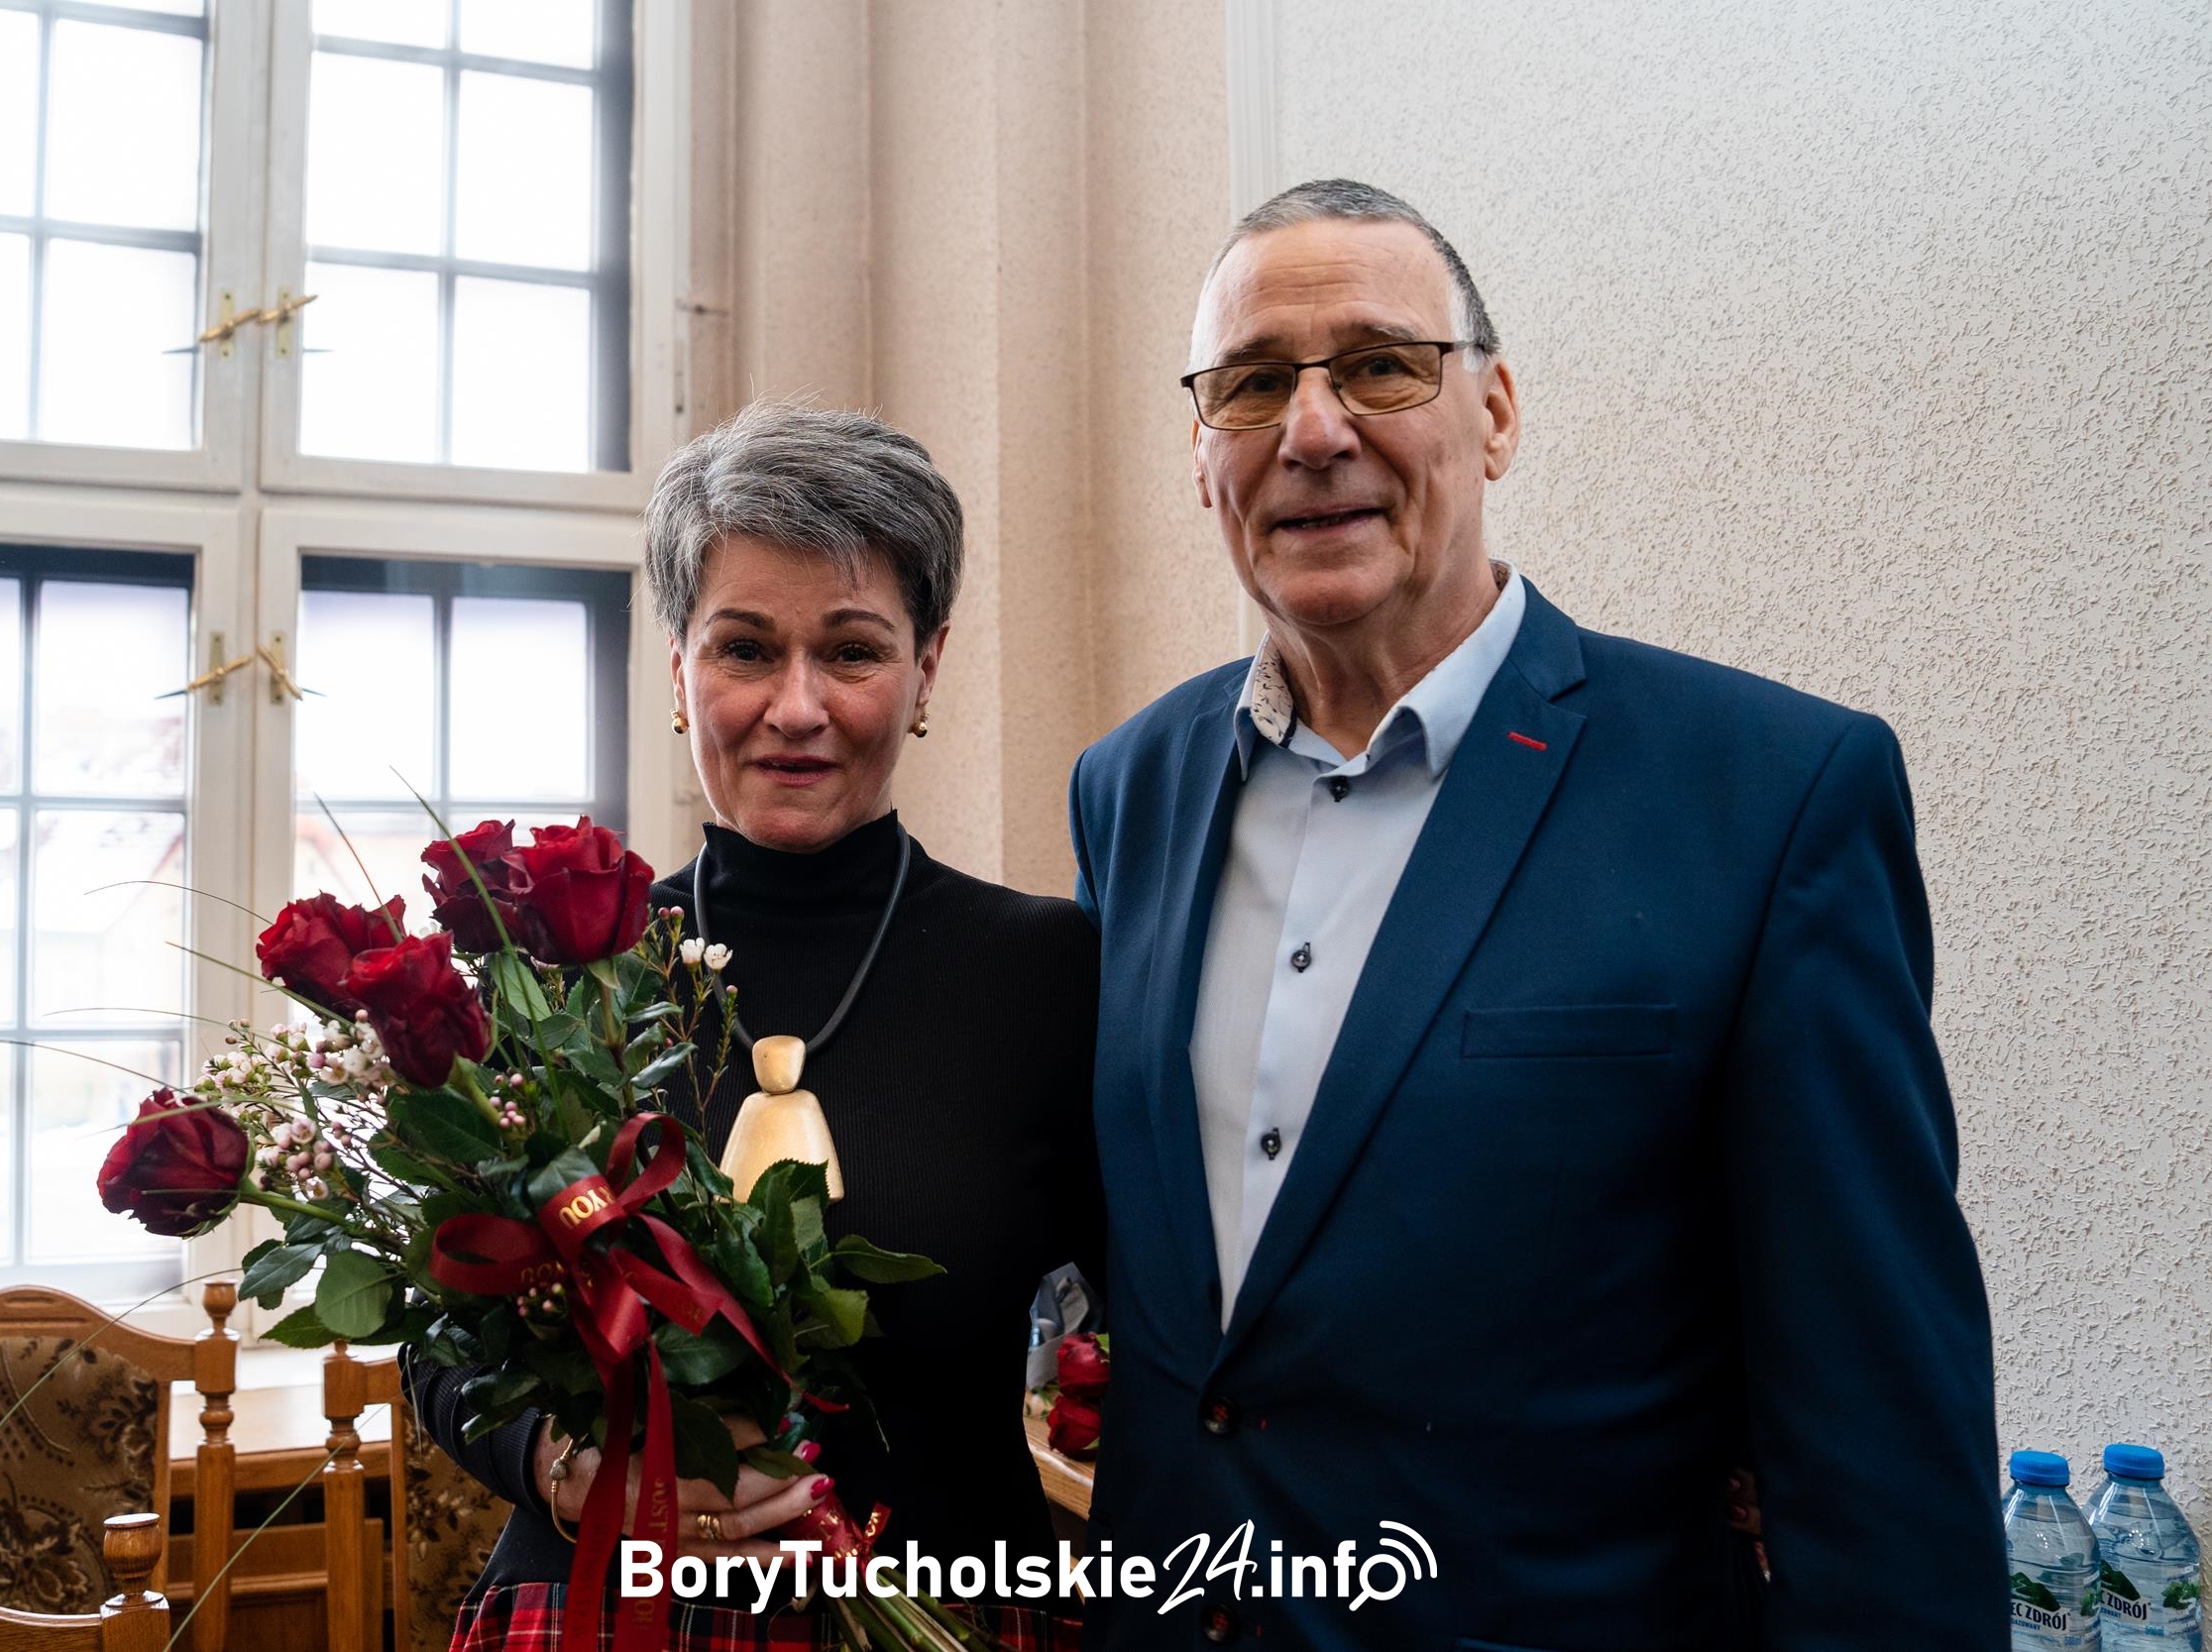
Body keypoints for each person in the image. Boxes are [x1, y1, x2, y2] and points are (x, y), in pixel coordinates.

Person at [1066, 179, 2005, 1647]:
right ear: (1203, 456)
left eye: (1380, 364)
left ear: (1493, 413)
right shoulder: (1127, 789)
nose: (1313, 430)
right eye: (1251, 385)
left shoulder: (1767, 796)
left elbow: (1880, 1419)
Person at [408, 400, 1099, 1650]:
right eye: (743, 648)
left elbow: (1159, 1340)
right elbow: (444, 1345)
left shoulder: (1050, 972)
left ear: (926, 669)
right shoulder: (561, 973)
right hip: (596, 1613)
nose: (795, 706)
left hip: (951, 1613)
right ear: (678, 667)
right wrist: (567, 1468)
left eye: (849, 650)